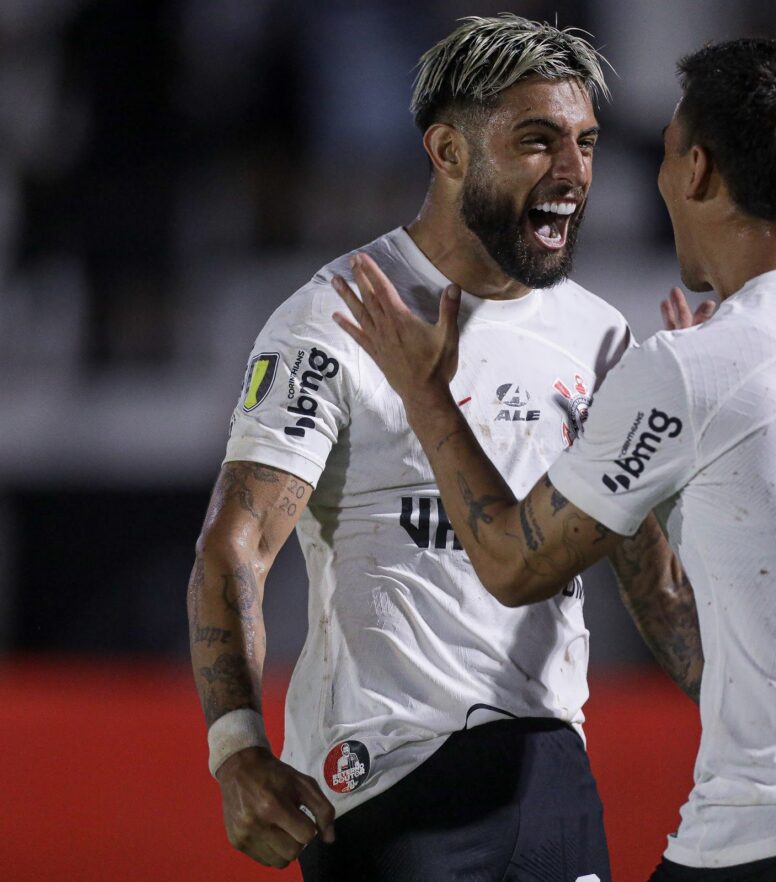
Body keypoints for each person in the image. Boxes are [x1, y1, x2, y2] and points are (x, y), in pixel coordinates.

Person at [333, 36, 776, 882]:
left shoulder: (695, 370)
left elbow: (510, 560)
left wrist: (427, 392)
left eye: (659, 155)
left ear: (697, 171)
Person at [187, 14, 704, 881]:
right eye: (537, 141)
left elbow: (650, 577)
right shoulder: (339, 317)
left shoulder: (599, 337)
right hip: (390, 779)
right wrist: (237, 747)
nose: (574, 173)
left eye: (585, 143)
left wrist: (746, 719)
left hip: (552, 772)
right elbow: (235, 543)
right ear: (449, 151)